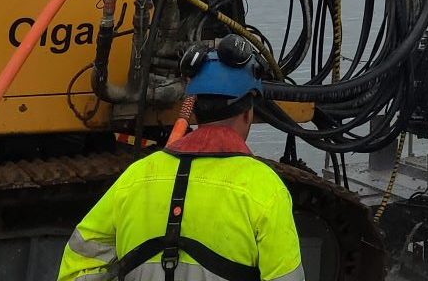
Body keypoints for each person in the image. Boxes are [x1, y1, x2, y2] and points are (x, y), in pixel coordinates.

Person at [58, 37, 303, 281]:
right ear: (248, 114)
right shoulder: (265, 189)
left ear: (194, 111)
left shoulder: (136, 177)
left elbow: (77, 265)